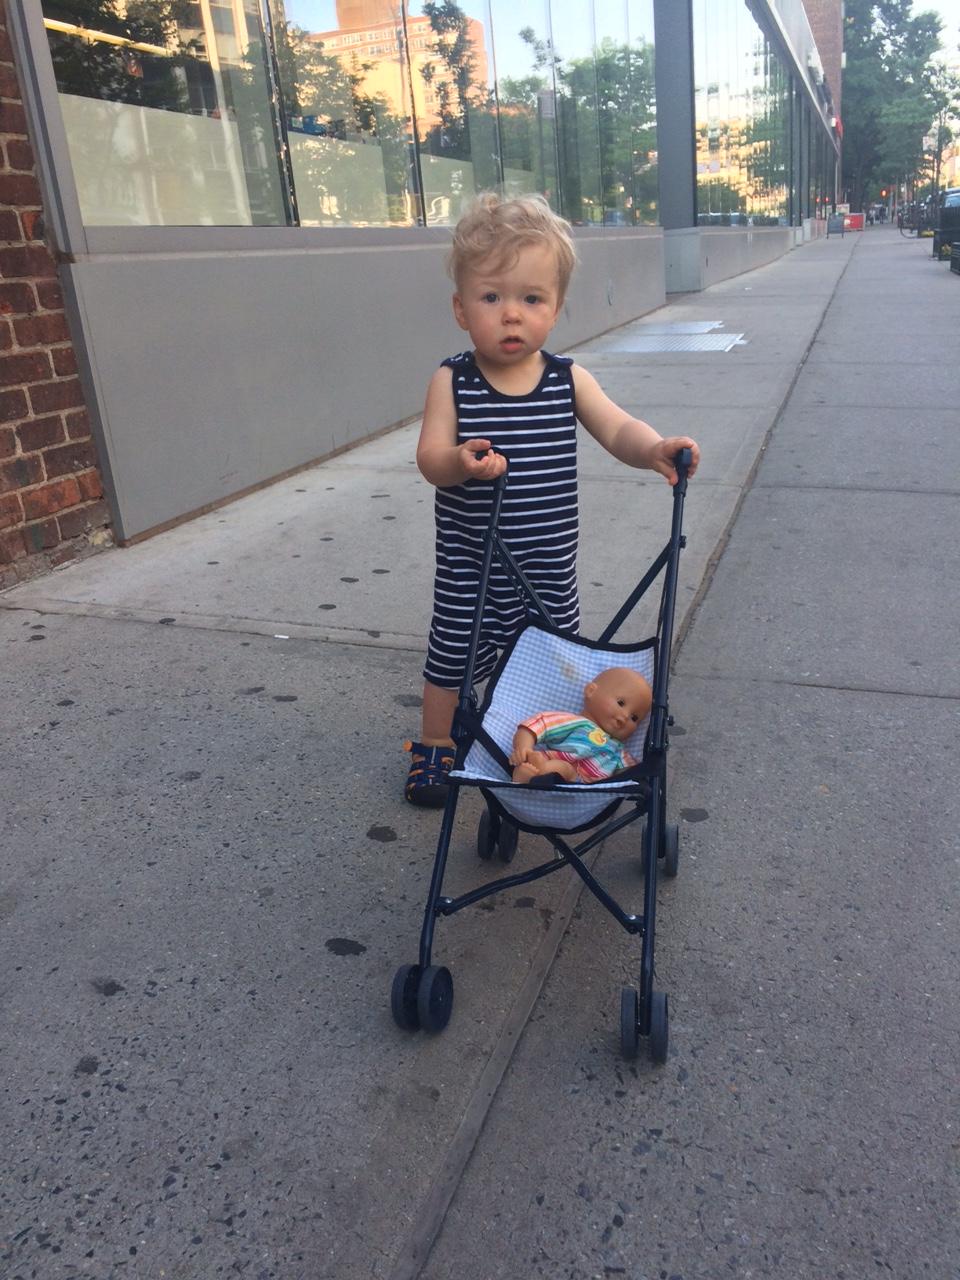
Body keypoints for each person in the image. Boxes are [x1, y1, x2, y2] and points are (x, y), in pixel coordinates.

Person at [404, 193, 700, 807]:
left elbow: (617, 428)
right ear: (461, 309)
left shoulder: (568, 379)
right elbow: (430, 459)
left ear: (556, 308)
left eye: (531, 299)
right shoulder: (452, 381)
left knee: (549, 660)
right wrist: (459, 462)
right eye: (492, 297)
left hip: (546, 566)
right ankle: (434, 745)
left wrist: (653, 448)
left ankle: (542, 745)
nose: (512, 315)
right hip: (471, 564)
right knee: (451, 659)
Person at [510, 667, 653, 785]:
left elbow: (629, 774)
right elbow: (541, 724)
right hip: (561, 766)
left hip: (585, 788)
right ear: (591, 691)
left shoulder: (618, 750)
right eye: (621, 703)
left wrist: (639, 775)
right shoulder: (575, 722)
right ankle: (533, 773)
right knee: (562, 767)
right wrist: (524, 747)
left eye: (634, 718)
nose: (626, 717)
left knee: (564, 770)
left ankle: (533, 774)